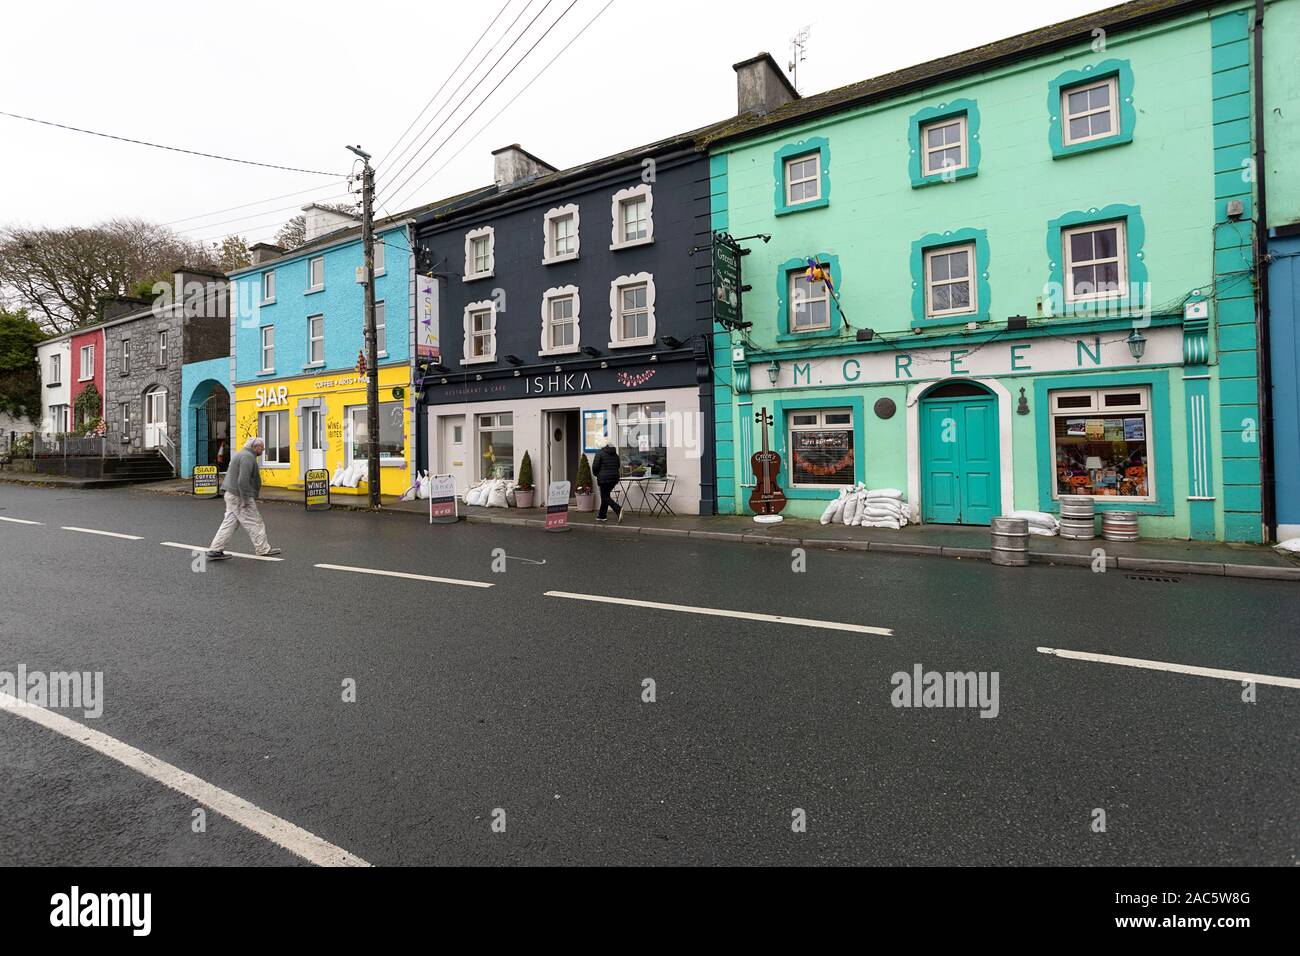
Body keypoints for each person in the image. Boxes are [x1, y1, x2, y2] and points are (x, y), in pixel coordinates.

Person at [206, 436, 281, 560]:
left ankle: (215, 549)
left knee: (230, 522)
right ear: (255, 447)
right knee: (255, 521)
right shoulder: (247, 457)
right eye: (261, 448)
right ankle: (263, 549)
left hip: (232, 494)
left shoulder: (242, 454)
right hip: (239, 496)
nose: (263, 451)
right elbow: (242, 481)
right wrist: (246, 500)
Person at [590, 441, 623, 523]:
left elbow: (595, 467)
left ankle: (618, 509)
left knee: (605, 497)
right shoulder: (616, 455)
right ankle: (602, 515)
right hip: (614, 479)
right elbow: (618, 466)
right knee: (605, 496)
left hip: (604, 479)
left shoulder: (600, 453)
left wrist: (597, 474)